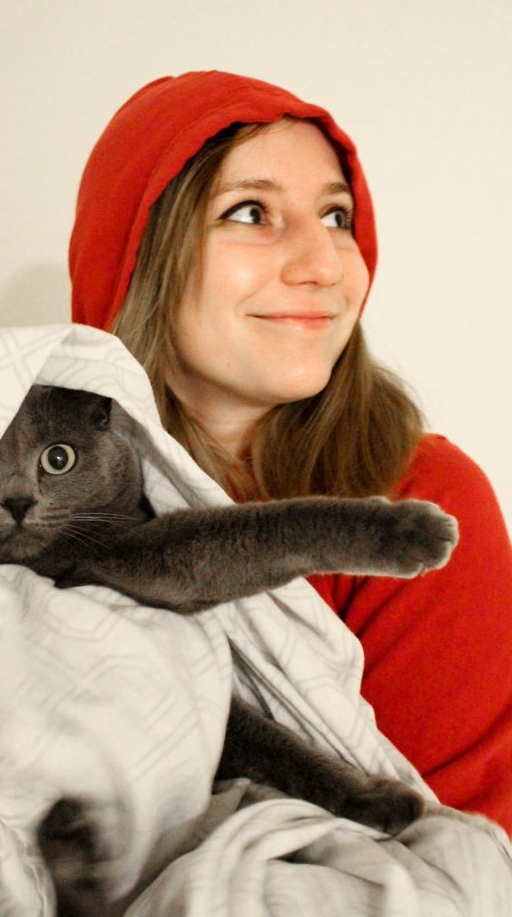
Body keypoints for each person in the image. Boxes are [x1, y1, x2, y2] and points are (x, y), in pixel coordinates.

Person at [68, 70, 512, 835]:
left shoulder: (420, 505)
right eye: (250, 212)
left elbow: (462, 855)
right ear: (136, 253)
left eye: (336, 216)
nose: (325, 264)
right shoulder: (11, 491)